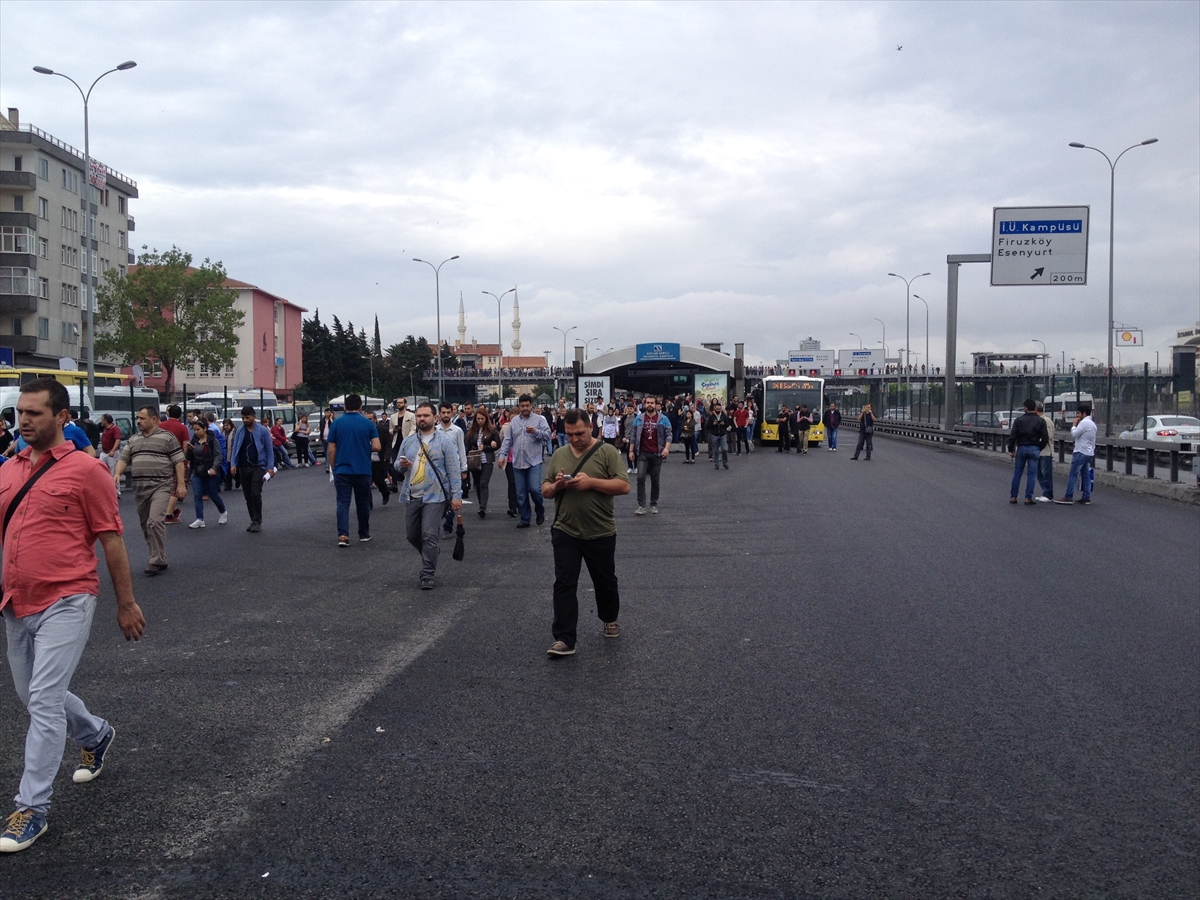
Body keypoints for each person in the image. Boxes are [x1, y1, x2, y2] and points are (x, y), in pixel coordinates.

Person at [0, 378, 145, 854]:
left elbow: (111, 540)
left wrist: (126, 603)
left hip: (68, 597)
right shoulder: (8, 469)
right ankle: (96, 733)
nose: (23, 420)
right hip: (16, 601)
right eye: (21, 412)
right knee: (34, 695)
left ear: (61, 417)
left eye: (34, 413)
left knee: (42, 699)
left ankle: (31, 808)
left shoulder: (87, 472)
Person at [541, 409, 630, 657]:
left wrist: (591, 482)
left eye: (579, 433)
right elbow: (546, 490)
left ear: (590, 427)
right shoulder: (559, 454)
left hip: (599, 531)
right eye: (569, 434)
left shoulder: (607, 452)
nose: (574, 439)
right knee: (564, 583)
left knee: (605, 581)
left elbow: (623, 486)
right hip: (565, 530)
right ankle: (564, 638)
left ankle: (609, 617)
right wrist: (558, 485)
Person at [395, 402, 462, 589]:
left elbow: (453, 471)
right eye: (419, 416)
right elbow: (396, 465)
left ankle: (427, 574)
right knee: (412, 535)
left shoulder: (445, 442)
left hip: (436, 496)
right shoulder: (409, 441)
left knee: (429, 534)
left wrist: (456, 495)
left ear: (435, 418)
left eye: (425, 415)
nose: (422, 419)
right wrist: (402, 466)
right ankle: (430, 551)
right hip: (412, 495)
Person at [113, 406, 187, 576]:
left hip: (160, 486)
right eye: (137, 418)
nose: (138, 421)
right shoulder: (134, 439)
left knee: (154, 521)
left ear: (154, 419)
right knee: (147, 525)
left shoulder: (167, 438)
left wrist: (181, 485)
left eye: (142, 418)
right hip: (140, 488)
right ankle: (159, 557)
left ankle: (155, 560)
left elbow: (178, 461)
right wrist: (117, 474)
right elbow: (123, 459)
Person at [326, 393, 381, 546]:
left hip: (342, 469)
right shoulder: (368, 423)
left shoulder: (336, 423)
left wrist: (333, 467)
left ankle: (343, 535)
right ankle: (364, 533)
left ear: (344, 407)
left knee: (343, 502)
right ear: (360, 407)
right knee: (362, 502)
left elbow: (331, 449)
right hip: (363, 469)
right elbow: (377, 446)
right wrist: (364, 447)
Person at [497, 395, 552, 529]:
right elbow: (508, 440)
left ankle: (540, 510)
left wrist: (536, 432)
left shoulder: (539, 420)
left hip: (534, 461)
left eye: (527, 405)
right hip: (518, 462)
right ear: (519, 406)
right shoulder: (514, 421)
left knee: (534, 489)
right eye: (522, 406)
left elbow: (548, 435)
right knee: (521, 494)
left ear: (531, 405)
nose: (525, 408)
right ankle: (525, 518)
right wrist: (502, 455)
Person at [229, 406, 276, 532]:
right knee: (248, 496)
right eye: (243, 418)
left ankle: (257, 521)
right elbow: (235, 449)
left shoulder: (263, 431)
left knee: (255, 493)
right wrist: (233, 464)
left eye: (247, 417)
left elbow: (269, 450)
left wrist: (270, 468)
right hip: (244, 467)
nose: (245, 420)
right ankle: (253, 519)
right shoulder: (239, 431)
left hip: (258, 467)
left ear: (254, 417)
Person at [628, 395, 672, 514]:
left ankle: (653, 504)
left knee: (655, 479)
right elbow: (633, 435)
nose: (650, 405)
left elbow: (669, 435)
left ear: (656, 404)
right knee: (640, 478)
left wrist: (666, 449)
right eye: (648, 403)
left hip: (657, 453)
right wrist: (631, 451)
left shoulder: (663, 419)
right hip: (642, 452)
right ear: (644, 404)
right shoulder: (639, 418)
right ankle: (641, 505)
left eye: (652, 403)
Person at [185, 419, 227, 527]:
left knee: (213, 494)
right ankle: (200, 519)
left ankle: (223, 512)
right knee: (197, 495)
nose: (196, 432)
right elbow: (188, 457)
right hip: (198, 471)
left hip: (210, 471)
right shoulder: (194, 440)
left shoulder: (213, 440)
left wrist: (214, 468)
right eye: (194, 430)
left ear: (205, 429)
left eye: (198, 429)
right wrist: (189, 450)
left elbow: (218, 455)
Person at [1007, 399, 1050, 505]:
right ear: (1035, 408)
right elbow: (1045, 438)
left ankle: (1013, 497)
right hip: (1034, 448)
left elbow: (1013, 437)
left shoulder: (1018, 420)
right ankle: (1028, 497)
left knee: (1017, 473)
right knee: (1031, 474)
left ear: (1025, 408)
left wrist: (1011, 450)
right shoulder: (1040, 421)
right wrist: (1038, 448)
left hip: (1021, 448)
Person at [436, 402, 470, 534]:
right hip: (438, 468)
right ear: (439, 414)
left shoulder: (457, 431)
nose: (445, 415)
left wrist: (464, 469)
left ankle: (448, 526)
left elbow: (461, 450)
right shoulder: (435, 430)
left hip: (453, 468)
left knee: (451, 496)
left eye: (448, 412)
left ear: (452, 413)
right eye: (443, 412)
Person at [1055, 402, 1097, 505]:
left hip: (1080, 452)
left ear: (1083, 413)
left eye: (1078, 413)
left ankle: (1068, 496)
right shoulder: (1093, 424)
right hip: (1089, 452)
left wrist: (1074, 425)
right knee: (1085, 475)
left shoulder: (1084, 423)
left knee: (1073, 474)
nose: (1077, 416)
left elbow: (1074, 434)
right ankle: (1086, 496)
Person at [465, 408, 501, 518]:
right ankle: (481, 504)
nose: (480, 421)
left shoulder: (492, 431)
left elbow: (498, 444)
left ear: (486, 419)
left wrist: (487, 446)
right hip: (475, 461)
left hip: (487, 460)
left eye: (482, 418)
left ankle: (483, 507)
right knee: (478, 483)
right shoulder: (471, 431)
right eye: (478, 419)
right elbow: (467, 445)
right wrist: (465, 458)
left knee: (483, 483)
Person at [160, 405, 191, 524]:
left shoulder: (161, 426)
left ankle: (173, 511)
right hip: (178, 460)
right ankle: (168, 515)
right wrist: (186, 460)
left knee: (167, 485)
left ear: (168, 414)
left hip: (163, 460)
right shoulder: (182, 427)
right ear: (180, 415)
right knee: (178, 486)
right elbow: (185, 445)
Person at [368, 412, 392, 504]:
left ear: (375, 420)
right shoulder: (362, 430)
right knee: (366, 482)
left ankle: (385, 492)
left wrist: (386, 456)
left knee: (378, 480)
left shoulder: (382, 430)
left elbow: (388, 444)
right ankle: (368, 503)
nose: (368, 421)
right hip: (366, 459)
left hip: (378, 460)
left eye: (370, 419)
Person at [1036, 401, 1056, 502]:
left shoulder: (1046, 421)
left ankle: (1048, 494)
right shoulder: (1038, 420)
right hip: (1040, 451)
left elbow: (1048, 436)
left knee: (1045, 473)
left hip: (1046, 451)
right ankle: (1045, 492)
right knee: (1039, 473)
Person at [98, 414, 123, 492]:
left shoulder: (115, 429)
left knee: (114, 472)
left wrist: (113, 450)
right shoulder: (105, 429)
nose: (101, 421)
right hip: (104, 453)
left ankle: (116, 491)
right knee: (99, 468)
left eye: (102, 420)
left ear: (106, 421)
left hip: (112, 453)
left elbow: (118, 440)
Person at [706, 400, 733, 470]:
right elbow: (707, 426)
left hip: (723, 434)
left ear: (721, 409)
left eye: (719, 409)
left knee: (724, 449)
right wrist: (713, 424)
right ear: (714, 408)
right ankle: (716, 464)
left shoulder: (724, 416)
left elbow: (728, 424)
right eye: (717, 409)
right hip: (714, 434)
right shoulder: (711, 417)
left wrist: (724, 424)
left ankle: (725, 463)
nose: (718, 410)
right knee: (715, 450)